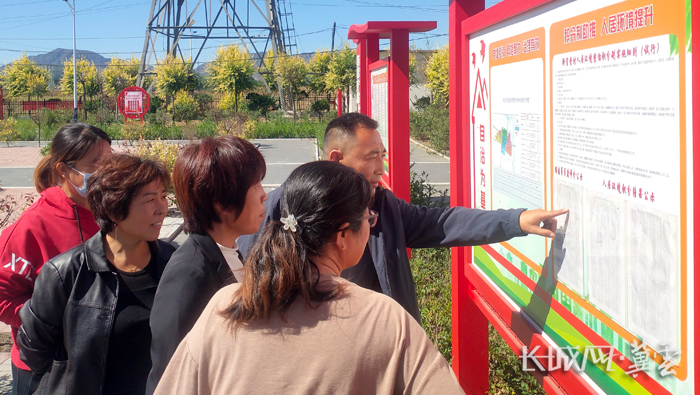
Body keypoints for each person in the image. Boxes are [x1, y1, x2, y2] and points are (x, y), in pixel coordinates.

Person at [154, 161, 464, 395]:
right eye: (367, 218)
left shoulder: (227, 304)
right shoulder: (382, 318)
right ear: (343, 236)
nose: (372, 223)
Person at [239, 112, 567, 322]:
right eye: (371, 157)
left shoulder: (384, 206)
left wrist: (515, 220)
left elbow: (443, 222)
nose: (382, 168)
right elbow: (250, 271)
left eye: (382, 156)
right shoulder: (287, 205)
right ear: (337, 158)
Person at [17, 154, 176, 395]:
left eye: (164, 196)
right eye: (150, 199)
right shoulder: (65, 272)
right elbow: (34, 353)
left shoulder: (174, 262)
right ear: (114, 208)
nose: (161, 208)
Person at [146, 136, 267, 395]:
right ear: (221, 203)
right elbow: (170, 370)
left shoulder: (230, 251)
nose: (264, 195)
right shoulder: (190, 273)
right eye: (254, 184)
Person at [0, 123, 111, 395]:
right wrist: (51, 323)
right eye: (94, 164)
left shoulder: (111, 212)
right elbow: (4, 298)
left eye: (110, 162)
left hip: (100, 360)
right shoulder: (31, 227)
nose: (105, 173)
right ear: (64, 170)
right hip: (45, 368)